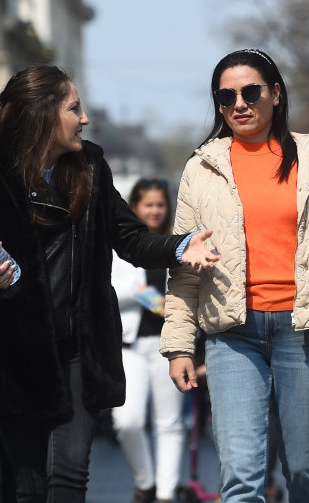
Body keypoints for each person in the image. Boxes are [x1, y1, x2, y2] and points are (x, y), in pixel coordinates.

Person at [0, 66, 219, 503]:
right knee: (31, 488)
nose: (85, 118)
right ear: (42, 115)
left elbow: (129, 239)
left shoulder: (90, 168)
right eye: (74, 108)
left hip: (80, 349)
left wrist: (181, 247)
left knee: (69, 478)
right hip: (15, 357)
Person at [161, 48, 309, 503]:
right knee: (241, 477)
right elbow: (184, 264)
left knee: (306, 471)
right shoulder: (201, 168)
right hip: (232, 334)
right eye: (226, 96)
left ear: (276, 94)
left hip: (306, 333)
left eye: (250, 92)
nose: (239, 104)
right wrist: (178, 345)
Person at [112, 179, 187, 503]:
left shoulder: (176, 242)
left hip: (167, 347)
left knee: (169, 423)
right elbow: (110, 291)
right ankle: (145, 483)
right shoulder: (118, 245)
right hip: (129, 346)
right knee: (126, 421)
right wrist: (154, 301)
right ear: (134, 207)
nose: (155, 211)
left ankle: (166, 494)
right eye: (148, 205)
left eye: (160, 204)